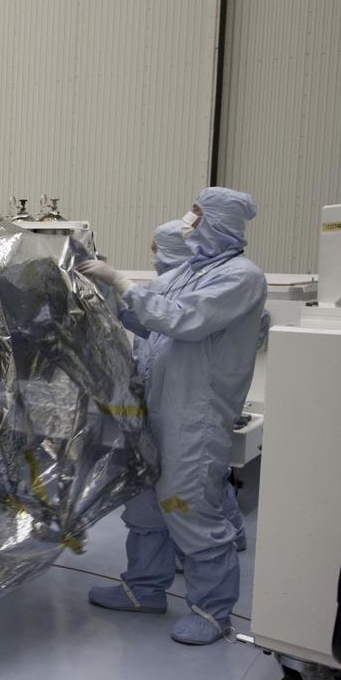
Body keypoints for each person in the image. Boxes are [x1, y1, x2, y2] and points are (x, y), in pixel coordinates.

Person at [80, 187, 266, 645]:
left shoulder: (242, 277)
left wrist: (122, 281)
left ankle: (211, 610)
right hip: (154, 410)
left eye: (197, 215)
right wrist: (101, 290)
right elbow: (145, 319)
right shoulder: (186, 271)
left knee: (190, 510)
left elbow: (185, 320)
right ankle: (144, 589)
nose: (189, 222)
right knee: (144, 507)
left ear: (221, 221)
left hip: (193, 417)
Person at [149, 221, 248, 553]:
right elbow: (152, 332)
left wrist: (120, 286)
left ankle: (211, 603)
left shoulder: (237, 277)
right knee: (188, 490)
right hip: (171, 404)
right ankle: (151, 584)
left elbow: (178, 321)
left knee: (191, 499)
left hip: (195, 408)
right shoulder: (183, 278)